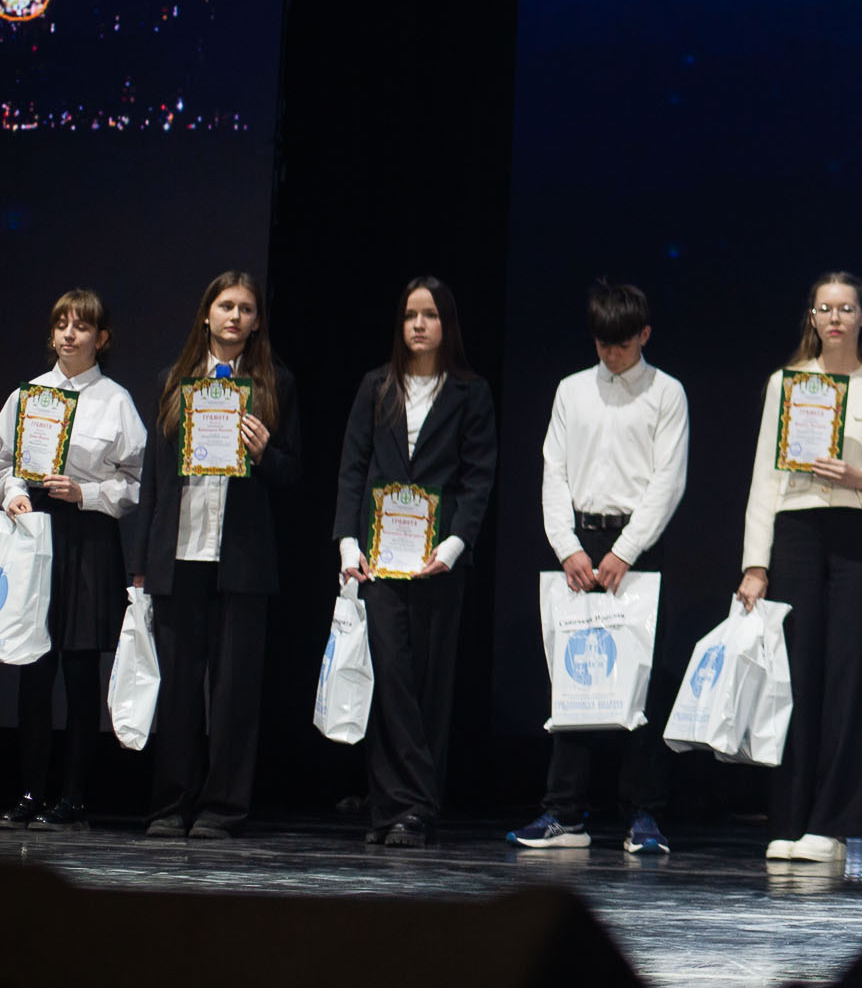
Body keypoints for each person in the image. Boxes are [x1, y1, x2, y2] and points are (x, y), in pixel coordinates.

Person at [737, 272, 862, 866]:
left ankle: (832, 825)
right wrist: (756, 564)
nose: (834, 318)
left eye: (845, 308)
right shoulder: (786, 383)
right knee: (796, 676)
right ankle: (788, 818)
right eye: (824, 309)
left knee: (848, 676)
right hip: (796, 533)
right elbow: (764, 479)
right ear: (811, 317)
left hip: (858, 534)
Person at [507, 281, 690, 856]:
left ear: (644, 335)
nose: (611, 354)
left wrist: (627, 549)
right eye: (602, 344)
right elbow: (553, 471)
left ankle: (643, 814)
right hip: (580, 544)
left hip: (637, 546)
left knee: (641, 679)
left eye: (622, 344)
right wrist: (566, 546)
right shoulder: (572, 391)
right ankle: (565, 813)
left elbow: (668, 481)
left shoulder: (666, 393)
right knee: (575, 677)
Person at [134, 272, 301, 839]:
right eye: (226, 306)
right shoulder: (172, 382)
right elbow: (153, 481)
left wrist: (264, 452)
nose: (235, 316)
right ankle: (169, 804)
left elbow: (292, 471)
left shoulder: (275, 384)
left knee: (234, 694)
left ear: (257, 321)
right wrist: (142, 562)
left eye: (246, 309)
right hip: (180, 553)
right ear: (207, 314)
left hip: (242, 560)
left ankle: (222, 808)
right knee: (178, 689)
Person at [334, 278, 498, 847]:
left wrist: (453, 547)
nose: (419, 325)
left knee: (429, 682)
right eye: (410, 315)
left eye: (429, 315)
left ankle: (416, 807)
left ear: (447, 324)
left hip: (437, 562)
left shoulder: (470, 392)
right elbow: (353, 468)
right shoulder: (376, 386)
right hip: (379, 560)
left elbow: (478, 480)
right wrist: (347, 543)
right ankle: (393, 807)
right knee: (390, 679)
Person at [0, 291, 145, 829]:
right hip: (35, 532)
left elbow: (136, 482)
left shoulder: (115, 401)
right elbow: (5, 462)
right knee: (33, 668)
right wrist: (13, 493)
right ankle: (31, 792)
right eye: (61, 324)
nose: (68, 334)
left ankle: (74, 795)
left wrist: (87, 492)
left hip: (88, 537)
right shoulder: (28, 395)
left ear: (101, 339)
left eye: (81, 326)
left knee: (81, 671)